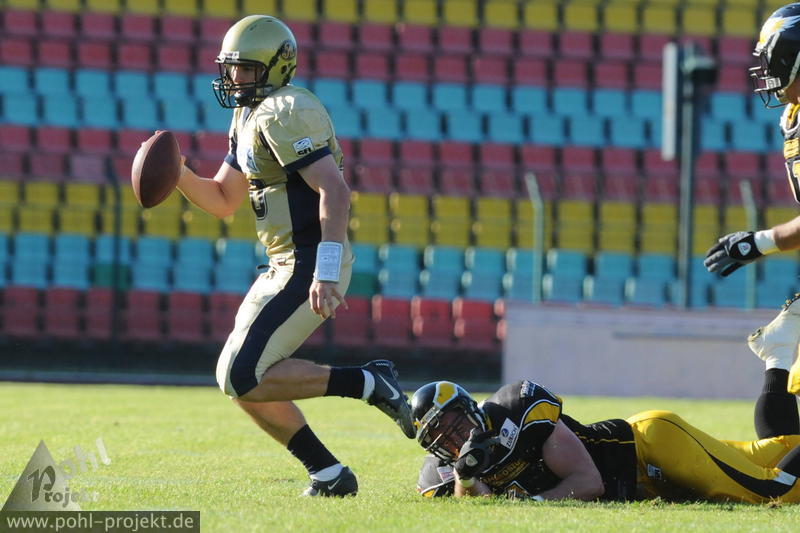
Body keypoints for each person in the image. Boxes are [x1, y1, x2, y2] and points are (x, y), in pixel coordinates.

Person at [173, 14, 414, 497]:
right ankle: (329, 474)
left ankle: (368, 382)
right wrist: (176, 174)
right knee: (234, 376)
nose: (233, 77)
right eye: (230, 67)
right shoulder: (248, 114)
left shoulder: (286, 109)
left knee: (244, 373)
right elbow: (223, 199)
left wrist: (325, 269)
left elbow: (335, 191)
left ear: (275, 67)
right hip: (282, 262)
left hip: (308, 260)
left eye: (245, 68)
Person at [411, 341, 800, 502]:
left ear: (470, 408)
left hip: (651, 446)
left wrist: (531, 504)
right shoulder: (443, 474)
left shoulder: (517, 409)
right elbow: (477, 508)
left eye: (456, 424)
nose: (456, 437)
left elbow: (588, 482)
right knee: (777, 451)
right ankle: (779, 353)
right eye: (442, 437)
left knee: (771, 492)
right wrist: (466, 477)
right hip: (647, 479)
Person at [704, 2, 800, 394]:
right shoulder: (793, 114)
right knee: (780, 363)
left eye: (774, 57)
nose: (768, 69)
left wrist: (759, 242)